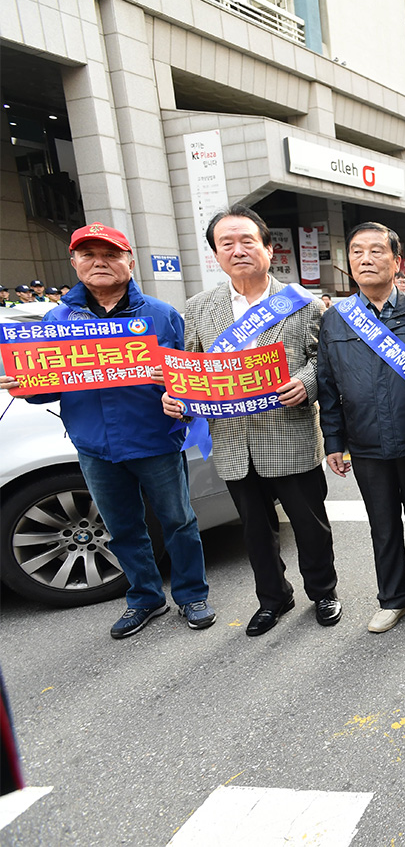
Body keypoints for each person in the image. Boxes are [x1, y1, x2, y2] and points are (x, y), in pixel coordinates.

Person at [1, 223, 213, 638]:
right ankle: (145, 599)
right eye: (89, 254)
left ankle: (192, 595)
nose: (100, 262)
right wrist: (26, 385)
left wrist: (175, 394)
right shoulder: (57, 319)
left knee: (179, 522)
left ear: (128, 262)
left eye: (111, 254)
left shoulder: (161, 315)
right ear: (74, 262)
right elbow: (46, 393)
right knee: (123, 528)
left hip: (156, 439)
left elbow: (187, 380)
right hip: (94, 445)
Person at [164, 204, 341, 636]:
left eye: (247, 241)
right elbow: (191, 368)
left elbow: (324, 359)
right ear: (216, 254)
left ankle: (324, 592)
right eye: (227, 243)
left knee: (310, 525)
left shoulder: (300, 303)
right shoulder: (200, 308)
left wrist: (306, 382)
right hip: (231, 442)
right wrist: (178, 397)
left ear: (267, 247)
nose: (238, 250)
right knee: (255, 532)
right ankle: (273, 598)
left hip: (288, 433)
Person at [317, 222, 405, 633]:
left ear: (396, 262)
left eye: (376, 251)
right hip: (366, 440)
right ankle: (393, 597)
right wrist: (335, 442)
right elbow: (327, 383)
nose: (365, 259)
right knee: (383, 523)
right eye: (357, 252)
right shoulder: (337, 319)